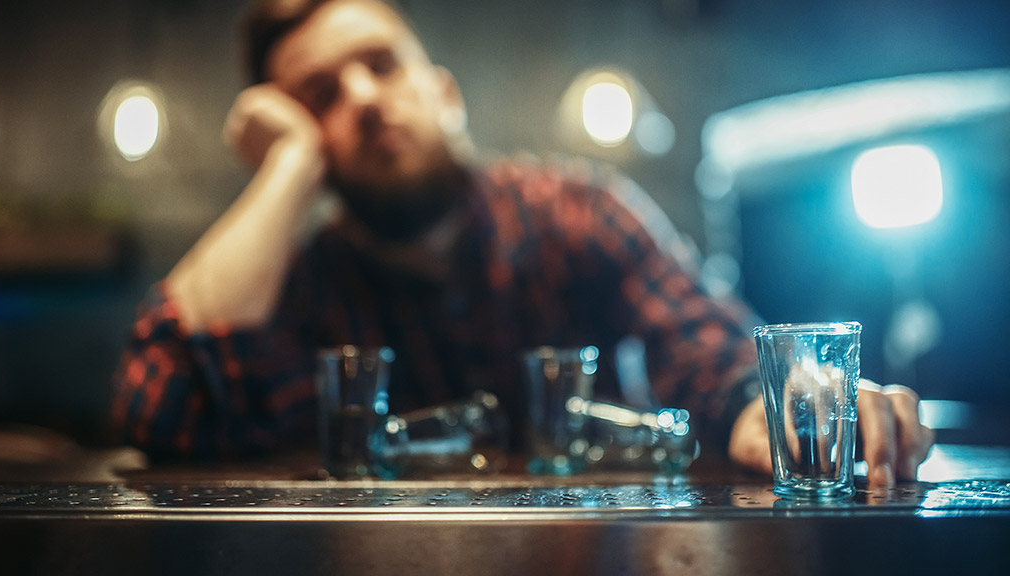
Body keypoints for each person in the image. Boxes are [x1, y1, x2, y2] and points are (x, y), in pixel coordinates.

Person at [111, 0, 933, 487]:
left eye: (381, 66)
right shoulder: (302, 281)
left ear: (445, 94)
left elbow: (702, 344)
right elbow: (159, 406)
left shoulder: (578, 210)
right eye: (319, 96)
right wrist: (288, 168)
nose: (363, 99)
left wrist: (769, 408)